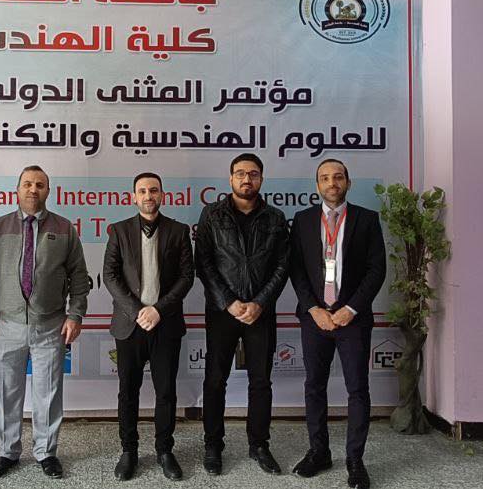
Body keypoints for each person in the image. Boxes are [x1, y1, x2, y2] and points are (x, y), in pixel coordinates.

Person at [0, 165, 89, 480]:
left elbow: (79, 276)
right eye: (27, 184)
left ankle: (46, 452)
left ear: (48, 191)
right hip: (7, 325)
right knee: (6, 392)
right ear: (18, 189)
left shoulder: (64, 228)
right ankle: (7, 452)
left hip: (51, 325)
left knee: (48, 393)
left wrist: (75, 314)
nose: (33, 190)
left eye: (39, 185)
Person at [289, 159, 386, 489]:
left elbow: (376, 269)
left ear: (348, 182)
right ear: (317, 185)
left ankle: (355, 460)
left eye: (338, 177)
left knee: (357, 389)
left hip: (352, 321)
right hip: (315, 318)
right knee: (314, 386)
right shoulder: (302, 220)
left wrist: (352, 309)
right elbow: (296, 269)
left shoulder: (366, 219)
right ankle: (319, 452)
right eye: (325, 178)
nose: (332, 183)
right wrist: (313, 308)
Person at [195, 153, 289, 476]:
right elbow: (204, 262)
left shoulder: (276, 218)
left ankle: (259, 444)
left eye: (253, 174)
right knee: (215, 380)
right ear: (231, 178)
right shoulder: (212, 215)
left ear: (261, 178)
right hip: (222, 311)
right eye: (240, 173)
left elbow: (282, 265)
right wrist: (228, 301)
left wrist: (260, 303)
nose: (246, 179)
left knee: (260, 381)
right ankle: (213, 444)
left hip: (260, 312)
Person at [103, 172, 194, 481]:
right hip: (129, 325)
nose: (148, 195)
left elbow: (187, 276)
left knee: (166, 392)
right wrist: (138, 311)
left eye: (153, 190)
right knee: (128, 392)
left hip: (165, 324)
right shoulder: (119, 231)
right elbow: (110, 275)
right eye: (142, 191)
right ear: (134, 197)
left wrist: (158, 310)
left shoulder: (179, 231)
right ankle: (128, 451)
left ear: (162, 195)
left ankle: (165, 451)